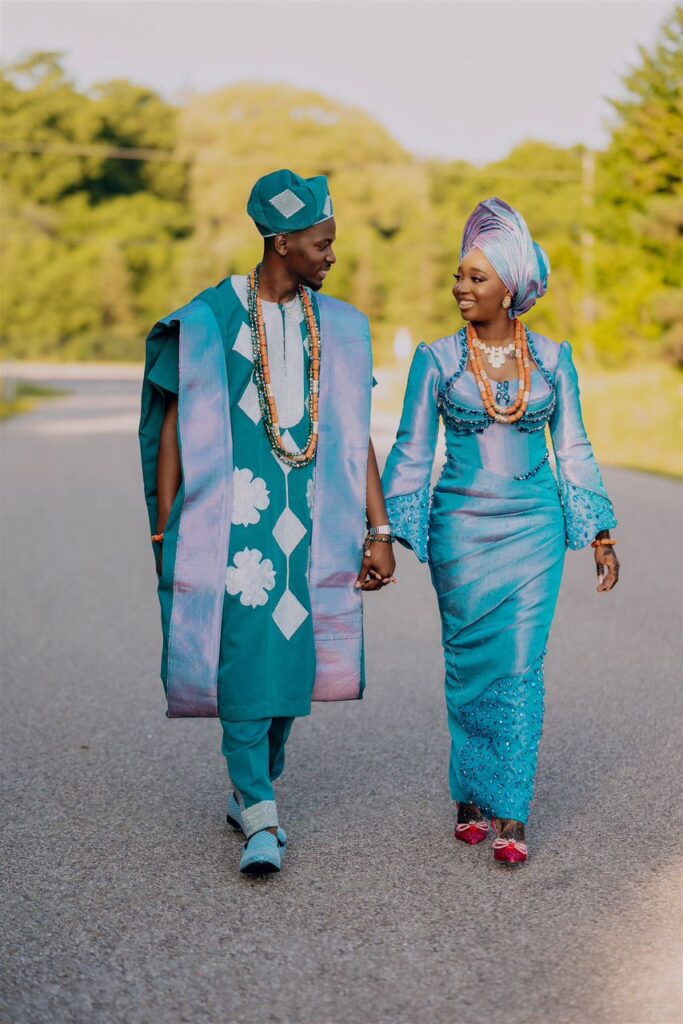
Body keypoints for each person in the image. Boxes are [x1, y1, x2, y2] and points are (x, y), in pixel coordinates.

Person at [139, 169, 395, 876]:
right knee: (244, 660)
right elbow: (169, 425)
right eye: (322, 244)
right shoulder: (209, 319)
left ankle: (255, 781)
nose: (331, 256)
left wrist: (378, 530)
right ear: (281, 243)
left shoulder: (338, 327)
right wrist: (167, 529)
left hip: (315, 528)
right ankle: (259, 811)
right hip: (230, 529)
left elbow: (352, 429)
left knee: (290, 669)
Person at [382, 197, 619, 865]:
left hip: (534, 529)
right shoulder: (434, 359)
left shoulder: (551, 357)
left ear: (509, 286)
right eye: (458, 276)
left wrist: (598, 530)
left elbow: (572, 446)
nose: (461, 287)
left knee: (518, 665)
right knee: (468, 668)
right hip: (460, 528)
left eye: (476, 278)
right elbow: (408, 449)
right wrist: (386, 533)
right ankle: (469, 794)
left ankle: (510, 809)